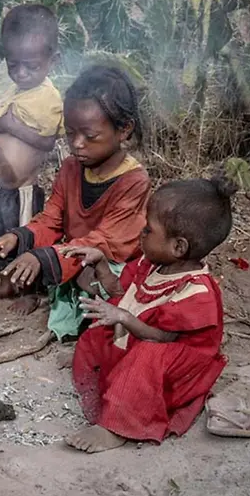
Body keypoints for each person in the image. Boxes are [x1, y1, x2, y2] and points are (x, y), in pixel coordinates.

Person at [0, 66, 150, 340]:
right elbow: (51, 219)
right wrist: (16, 237)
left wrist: (45, 257)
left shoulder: (134, 181)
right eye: (70, 134)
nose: (77, 144)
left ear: (124, 130)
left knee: (78, 272)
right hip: (74, 255)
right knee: (35, 246)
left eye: (90, 137)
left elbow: (105, 241)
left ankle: (100, 327)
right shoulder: (71, 167)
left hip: (108, 265)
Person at [63, 176, 235, 453]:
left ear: (178, 247)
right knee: (101, 324)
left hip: (172, 362)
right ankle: (99, 369)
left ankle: (116, 426)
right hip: (142, 334)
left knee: (144, 354)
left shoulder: (196, 290)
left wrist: (123, 317)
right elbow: (123, 292)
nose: (141, 234)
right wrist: (101, 264)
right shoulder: (153, 263)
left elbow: (163, 337)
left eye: (148, 230)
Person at [0, 4, 63, 300]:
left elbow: (46, 142)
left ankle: (29, 291)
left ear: (52, 60)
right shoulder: (15, 92)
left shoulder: (48, 98)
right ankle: (5, 283)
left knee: (24, 241)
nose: (21, 73)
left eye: (31, 65)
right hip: (1, 187)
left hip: (24, 191)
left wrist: (9, 125)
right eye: (13, 65)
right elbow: (1, 118)